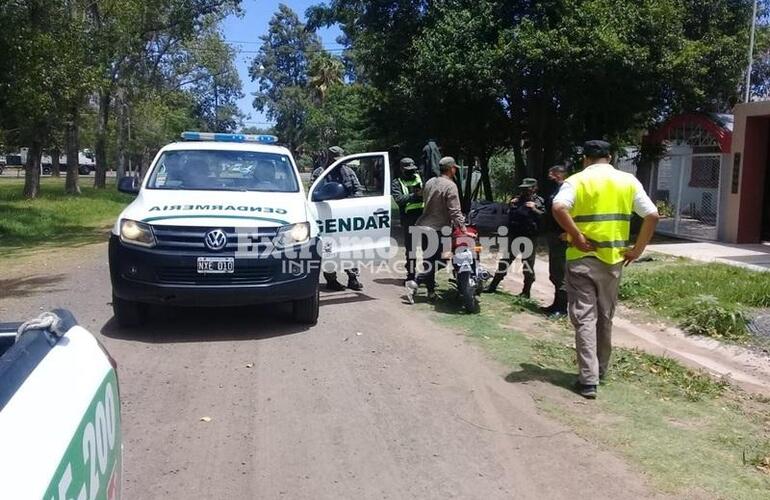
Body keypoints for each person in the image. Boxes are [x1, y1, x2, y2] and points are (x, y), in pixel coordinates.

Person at [552, 140, 659, 400]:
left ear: (585, 159)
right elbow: (652, 215)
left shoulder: (576, 181)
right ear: (609, 157)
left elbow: (558, 207)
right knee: (605, 317)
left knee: (584, 318)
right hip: (613, 261)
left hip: (581, 259)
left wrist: (575, 235)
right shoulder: (628, 181)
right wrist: (638, 249)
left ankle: (588, 380)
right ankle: (600, 372)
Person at [406, 156, 467, 303]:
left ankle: (431, 293)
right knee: (444, 259)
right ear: (451, 169)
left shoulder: (430, 182)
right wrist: (462, 227)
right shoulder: (450, 186)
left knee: (429, 260)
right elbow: (454, 210)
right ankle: (416, 281)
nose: (455, 171)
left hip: (424, 225)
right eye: (454, 169)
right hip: (439, 228)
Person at [313, 145, 364, 291]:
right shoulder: (320, 173)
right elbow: (314, 193)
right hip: (327, 216)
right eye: (335, 159)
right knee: (329, 250)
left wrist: (353, 202)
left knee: (350, 248)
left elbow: (358, 189)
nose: (338, 162)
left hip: (346, 217)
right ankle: (331, 280)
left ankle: (353, 278)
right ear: (328, 158)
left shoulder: (348, 171)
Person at [484, 178, 544, 297]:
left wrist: (534, 208)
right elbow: (508, 215)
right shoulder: (517, 199)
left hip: (529, 237)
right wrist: (511, 205)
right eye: (523, 189)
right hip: (515, 235)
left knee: (528, 265)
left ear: (534, 188)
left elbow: (544, 218)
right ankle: (493, 286)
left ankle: (526, 292)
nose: (525, 191)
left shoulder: (539, 201)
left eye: (528, 188)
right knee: (505, 261)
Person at [541, 165, 569, 316]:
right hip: (553, 234)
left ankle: (562, 309)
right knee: (554, 273)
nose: (549, 177)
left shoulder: (566, 190)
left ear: (559, 174)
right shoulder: (554, 190)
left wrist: (568, 232)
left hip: (561, 236)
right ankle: (556, 304)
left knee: (560, 273)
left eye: (551, 174)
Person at [392, 157, 424, 283]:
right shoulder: (397, 182)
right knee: (411, 249)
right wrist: (415, 195)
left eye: (412, 169)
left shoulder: (420, 178)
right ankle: (411, 275)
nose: (411, 172)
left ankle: (428, 276)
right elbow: (399, 199)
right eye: (407, 170)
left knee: (428, 248)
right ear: (401, 169)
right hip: (408, 219)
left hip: (424, 217)